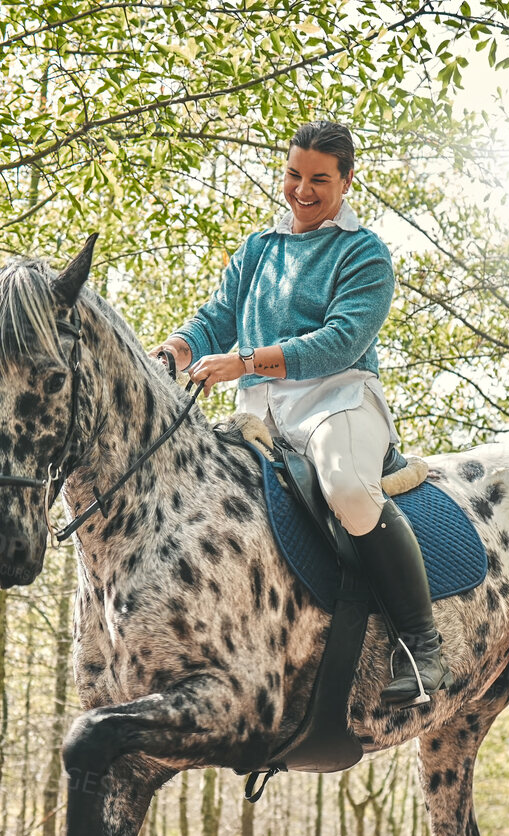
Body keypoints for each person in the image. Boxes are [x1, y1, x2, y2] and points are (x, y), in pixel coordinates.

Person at [151, 120, 446, 706]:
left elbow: (340, 340)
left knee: (348, 490)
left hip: (337, 400)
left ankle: (421, 643)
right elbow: (218, 316)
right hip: (259, 409)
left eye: (319, 180)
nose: (302, 190)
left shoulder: (363, 253)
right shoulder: (259, 249)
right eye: (293, 175)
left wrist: (244, 362)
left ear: (347, 181)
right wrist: (177, 348)